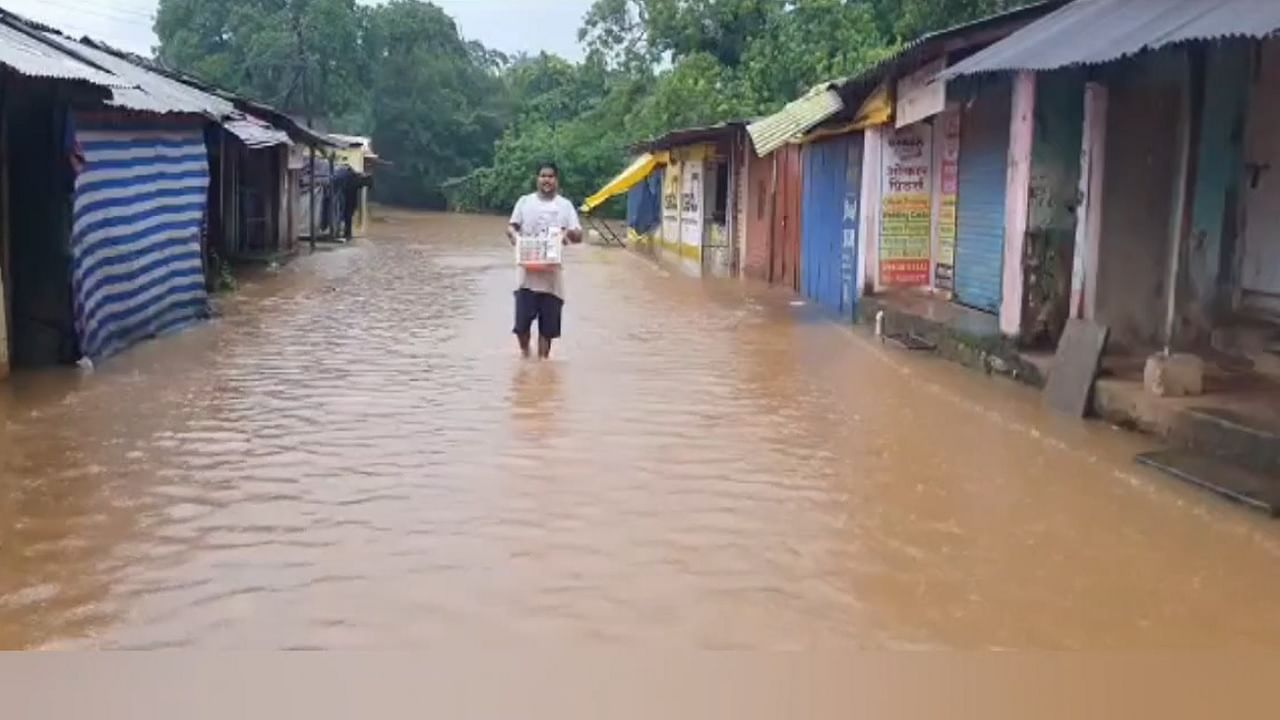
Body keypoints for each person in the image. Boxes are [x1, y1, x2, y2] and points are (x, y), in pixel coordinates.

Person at [507, 162, 583, 359]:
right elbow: (511, 227)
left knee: (547, 330)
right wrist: (515, 239)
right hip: (526, 276)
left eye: (550, 176)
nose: (546, 180)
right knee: (521, 326)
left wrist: (571, 234)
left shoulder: (565, 206)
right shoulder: (524, 202)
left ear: (556, 180)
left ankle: (542, 365)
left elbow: (578, 234)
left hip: (552, 277)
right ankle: (525, 353)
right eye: (542, 176)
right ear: (537, 179)